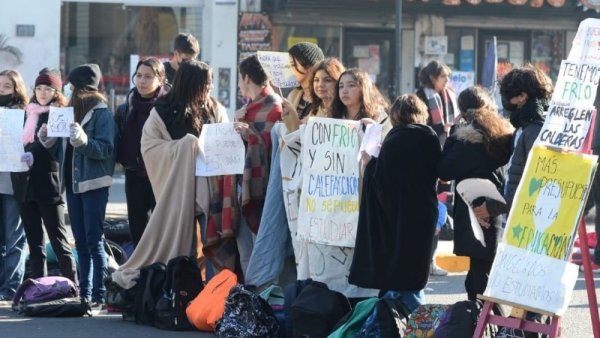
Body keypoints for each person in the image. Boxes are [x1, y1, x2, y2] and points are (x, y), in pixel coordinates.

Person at [111, 60, 230, 289]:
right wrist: (186, 147)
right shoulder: (163, 110)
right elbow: (151, 147)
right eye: (206, 83)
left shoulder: (215, 108)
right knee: (179, 246)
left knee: (212, 243)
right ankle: (182, 288)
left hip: (210, 193)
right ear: (192, 84)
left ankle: (212, 293)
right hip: (176, 192)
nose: (210, 88)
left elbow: (222, 142)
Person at [278, 68, 389, 299]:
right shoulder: (330, 120)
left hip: (362, 199)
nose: (345, 90)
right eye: (341, 86)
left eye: (351, 85)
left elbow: (385, 155)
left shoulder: (379, 118)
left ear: (364, 88)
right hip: (334, 207)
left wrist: (370, 133)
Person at [349, 94, 441, 312]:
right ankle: (419, 328)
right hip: (425, 214)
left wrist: (371, 164)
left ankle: (403, 325)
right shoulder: (431, 137)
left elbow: (383, 185)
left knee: (400, 278)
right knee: (416, 276)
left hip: (398, 218)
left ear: (395, 115)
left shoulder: (395, 138)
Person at [39, 64, 116, 306]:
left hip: (93, 183)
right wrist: (46, 138)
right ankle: (85, 293)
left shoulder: (102, 113)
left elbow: (105, 150)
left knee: (94, 240)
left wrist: (82, 141)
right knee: (80, 241)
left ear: (82, 88)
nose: (70, 91)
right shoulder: (68, 110)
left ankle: (99, 295)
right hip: (72, 184)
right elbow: (62, 150)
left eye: (73, 86)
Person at [437, 86, 514, 300]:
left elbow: (444, 171)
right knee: (483, 269)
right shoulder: (503, 134)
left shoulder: (464, 140)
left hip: (472, 208)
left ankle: (482, 323)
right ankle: (484, 321)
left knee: (478, 274)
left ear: (461, 110)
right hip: (497, 206)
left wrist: (452, 135)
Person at [12, 68, 78, 285]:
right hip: (24, 185)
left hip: (49, 186)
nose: (42, 92)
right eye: (39, 88)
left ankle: (73, 285)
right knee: (34, 242)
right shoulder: (27, 113)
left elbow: (58, 150)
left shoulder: (60, 114)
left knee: (59, 239)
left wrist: (40, 146)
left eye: (47, 88)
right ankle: (37, 287)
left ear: (56, 91)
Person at [473, 65, 553, 223]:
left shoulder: (534, 131)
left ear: (522, 96)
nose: (506, 102)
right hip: (522, 217)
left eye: (508, 96)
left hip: (530, 219)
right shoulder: (525, 129)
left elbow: (528, 182)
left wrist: (491, 208)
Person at [233, 54, 283, 279]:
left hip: (261, 188)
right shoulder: (247, 109)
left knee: (260, 247)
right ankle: (249, 297)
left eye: (239, 78)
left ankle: (261, 298)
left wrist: (250, 135)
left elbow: (275, 149)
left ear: (246, 78)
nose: (238, 84)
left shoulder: (274, 106)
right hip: (242, 185)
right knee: (244, 248)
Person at [115, 58, 168, 246]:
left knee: (161, 228)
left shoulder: (168, 107)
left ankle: (158, 271)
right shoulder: (126, 107)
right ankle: (140, 271)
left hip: (161, 174)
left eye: (148, 77)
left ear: (160, 80)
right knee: (137, 227)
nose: (142, 81)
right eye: (138, 76)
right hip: (134, 172)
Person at [416, 60, 459, 276]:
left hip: (443, 160)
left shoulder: (445, 96)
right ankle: (424, 261)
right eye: (444, 77)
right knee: (428, 211)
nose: (447, 81)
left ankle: (430, 260)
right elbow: (421, 126)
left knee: (439, 211)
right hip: (427, 160)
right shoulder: (421, 97)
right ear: (433, 77)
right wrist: (443, 127)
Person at [0, 69, 29, 301]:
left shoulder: (24, 114)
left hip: (13, 185)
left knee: (14, 239)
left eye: (7, 86)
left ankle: (11, 289)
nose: (1, 90)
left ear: (16, 88)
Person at [287, 42, 325, 119]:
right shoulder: (293, 95)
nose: (289, 70)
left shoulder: (324, 96)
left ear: (309, 67)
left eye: (293, 65)